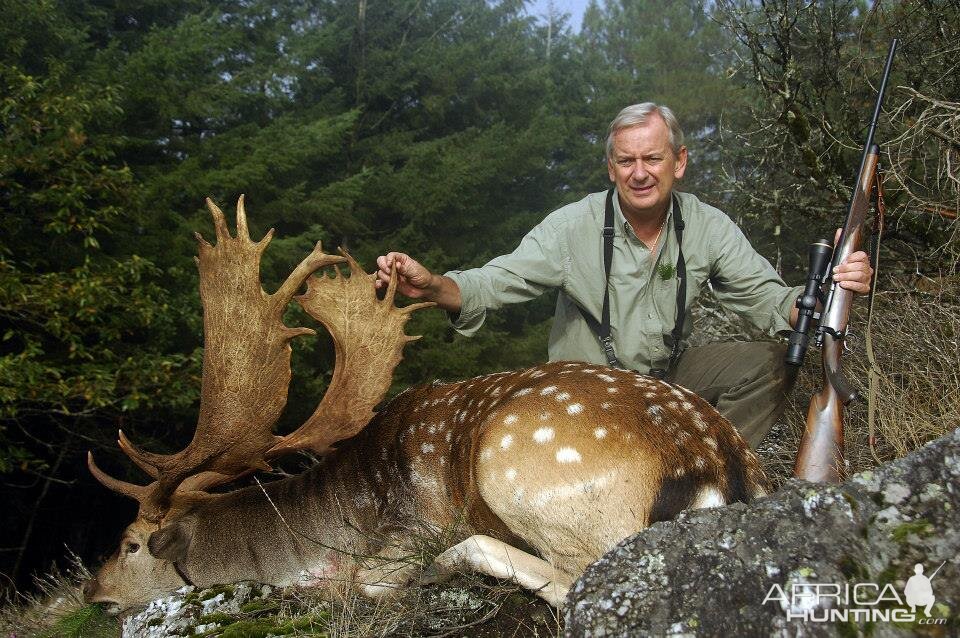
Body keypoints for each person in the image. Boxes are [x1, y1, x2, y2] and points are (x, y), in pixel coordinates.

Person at [375, 103, 873, 449]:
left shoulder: (706, 225)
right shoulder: (573, 226)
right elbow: (494, 281)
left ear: (678, 162)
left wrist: (829, 291)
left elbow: (769, 299)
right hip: (586, 392)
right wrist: (435, 286)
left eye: (653, 158)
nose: (640, 172)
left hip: (666, 380)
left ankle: (715, 475)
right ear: (610, 169)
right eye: (626, 160)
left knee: (771, 364)